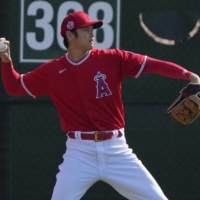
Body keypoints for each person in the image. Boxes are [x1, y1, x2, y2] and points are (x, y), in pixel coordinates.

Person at [0, 11, 200, 200]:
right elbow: (15, 86)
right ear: (70, 35)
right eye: (86, 29)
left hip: (117, 150)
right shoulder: (52, 71)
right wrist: (6, 61)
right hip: (79, 154)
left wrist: (189, 75)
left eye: (92, 29)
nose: (92, 33)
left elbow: (153, 64)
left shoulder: (112, 58)